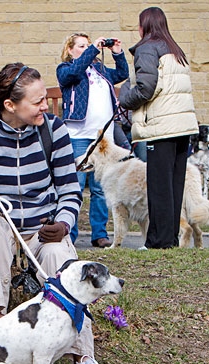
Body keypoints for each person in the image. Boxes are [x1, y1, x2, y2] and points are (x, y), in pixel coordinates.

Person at [0, 63, 112, 364]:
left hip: (41, 234)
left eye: (45, 98)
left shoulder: (53, 131)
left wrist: (65, 224)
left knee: (62, 257)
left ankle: (83, 360)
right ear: (10, 106)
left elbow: (70, 190)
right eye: (38, 101)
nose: (46, 105)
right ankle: (0, 326)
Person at [118, 7, 199, 249]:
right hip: (183, 127)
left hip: (162, 127)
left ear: (145, 26)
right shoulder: (175, 50)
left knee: (159, 187)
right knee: (174, 186)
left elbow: (146, 88)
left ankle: (157, 241)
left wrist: (124, 95)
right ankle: (169, 238)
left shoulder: (147, 49)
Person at [56, 33, 129, 248]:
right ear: (70, 50)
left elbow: (123, 73)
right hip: (78, 135)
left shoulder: (100, 70)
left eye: (88, 46)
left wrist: (117, 53)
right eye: (81, 46)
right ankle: (70, 233)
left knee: (100, 187)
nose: (87, 49)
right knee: (75, 186)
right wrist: (92, 51)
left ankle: (100, 233)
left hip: (102, 138)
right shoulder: (66, 69)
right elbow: (75, 72)